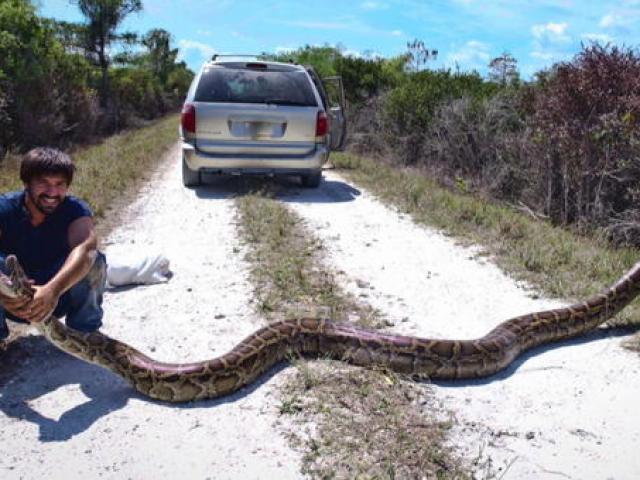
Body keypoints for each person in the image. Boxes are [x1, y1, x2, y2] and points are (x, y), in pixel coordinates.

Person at [0, 147, 106, 341]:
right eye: (43, 183)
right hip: (9, 300)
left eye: (60, 184)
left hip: (57, 297)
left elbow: (87, 247)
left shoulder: (74, 210)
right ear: (26, 183)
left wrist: (52, 290)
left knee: (93, 260)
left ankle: (85, 334)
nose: (52, 192)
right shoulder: (5, 207)